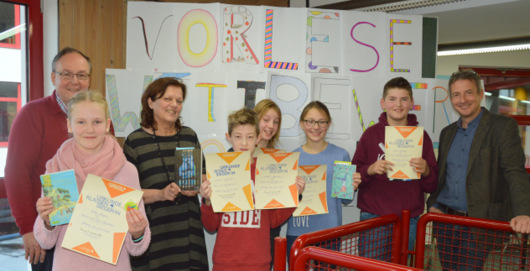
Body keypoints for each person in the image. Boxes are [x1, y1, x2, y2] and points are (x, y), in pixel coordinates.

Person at [33, 91, 150, 270]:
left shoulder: (126, 171)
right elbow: (45, 241)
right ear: (69, 125)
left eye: (97, 122)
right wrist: (47, 222)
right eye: (81, 122)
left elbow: (137, 247)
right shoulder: (57, 169)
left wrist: (138, 232)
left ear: (107, 125)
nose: (89, 129)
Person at [427, 70, 530, 270]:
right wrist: (433, 203)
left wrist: (524, 212)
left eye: (469, 93)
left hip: (477, 223)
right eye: (456, 94)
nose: (463, 100)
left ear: (481, 94)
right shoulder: (447, 133)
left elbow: (514, 171)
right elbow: (442, 176)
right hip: (445, 222)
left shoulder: (502, 127)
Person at [4, 47, 95, 270]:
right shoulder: (31, 115)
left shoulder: (97, 117)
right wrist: (26, 229)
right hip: (48, 232)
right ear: (53, 77)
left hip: (90, 231)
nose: (75, 81)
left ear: (89, 80)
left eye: (81, 75)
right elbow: (16, 176)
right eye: (67, 74)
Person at [199, 108, 305, 271]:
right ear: (228, 138)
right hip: (224, 262)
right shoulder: (219, 172)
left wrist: (294, 196)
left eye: (249, 137)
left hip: (258, 262)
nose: (243, 143)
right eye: (238, 137)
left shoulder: (266, 171)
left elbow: (273, 221)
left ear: (258, 138)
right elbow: (211, 226)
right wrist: (206, 200)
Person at [123, 77, 209, 270]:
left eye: (179, 101)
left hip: (189, 232)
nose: (174, 105)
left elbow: (202, 177)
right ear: (151, 102)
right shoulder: (135, 142)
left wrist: (201, 187)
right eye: (168, 99)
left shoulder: (189, 136)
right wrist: (161, 194)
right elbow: (127, 196)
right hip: (154, 235)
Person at [352, 77, 438, 260]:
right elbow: (352, 175)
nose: (398, 104)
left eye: (404, 99)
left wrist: (426, 171)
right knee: (371, 266)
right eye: (392, 99)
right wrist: (370, 169)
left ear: (411, 103)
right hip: (374, 216)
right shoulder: (370, 135)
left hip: (409, 219)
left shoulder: (421, 137)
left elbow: (432, 185)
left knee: (401, 266)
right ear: (383, 103)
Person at [286, 101, 362, 258]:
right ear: (302, 123)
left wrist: (352, 187)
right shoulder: (291, 158)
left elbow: (345, 200)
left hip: (329, 232)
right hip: (298, 231)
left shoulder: (341, 155)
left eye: (322, 122)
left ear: (328, 124)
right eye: (310, 121)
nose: (316, 127)